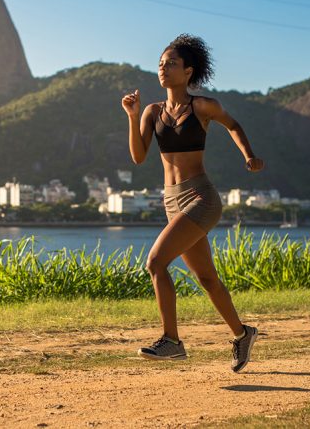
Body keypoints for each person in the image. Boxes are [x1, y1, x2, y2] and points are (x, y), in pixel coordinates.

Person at [120, 34, 264, 372]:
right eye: (160, 63)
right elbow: (139, 158)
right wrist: (132, 114)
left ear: (188, 71)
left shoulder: (203, 106)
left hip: (201, 197)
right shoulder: (152, 112)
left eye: (171, 63)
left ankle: (171, 340)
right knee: (207, 279)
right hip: (172, 201)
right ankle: (243, 334)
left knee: (156, 263)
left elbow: (234, 125)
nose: (163, 68)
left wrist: (250, 155)